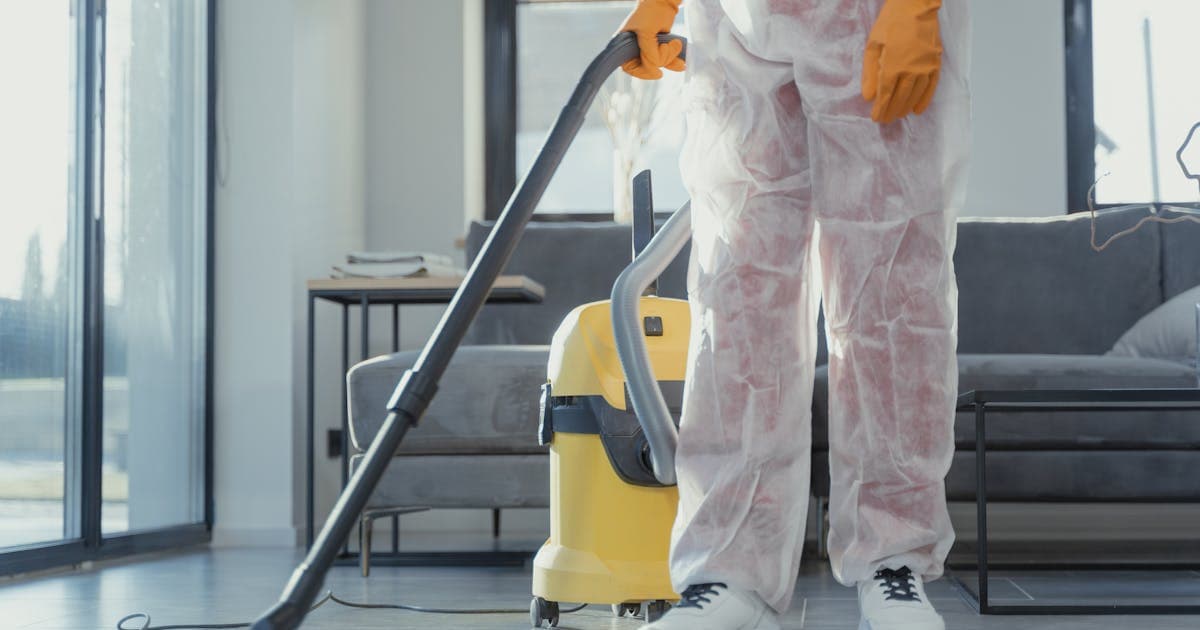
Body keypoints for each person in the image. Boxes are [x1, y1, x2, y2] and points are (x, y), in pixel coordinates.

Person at [618, 0, 969, 628]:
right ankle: (729, 572)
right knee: (737, 292)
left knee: (888, 288)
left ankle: (894, 563)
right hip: (737, 19)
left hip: (870, 16)